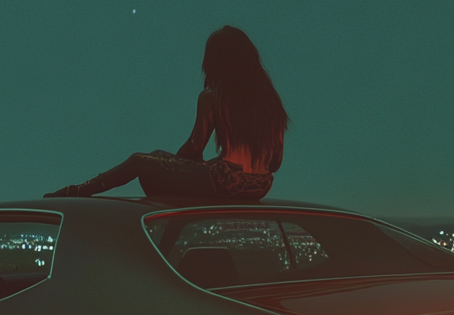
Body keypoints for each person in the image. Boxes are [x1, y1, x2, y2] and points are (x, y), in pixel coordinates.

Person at [45, 25, 289, 201]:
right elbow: (275, 163)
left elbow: (195, 146)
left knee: (140, 161)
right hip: (260, 185)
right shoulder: (271, 103)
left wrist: (176, 164)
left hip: (224, 181)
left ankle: (76, 192)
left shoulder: (213, 97)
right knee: (157, 156)